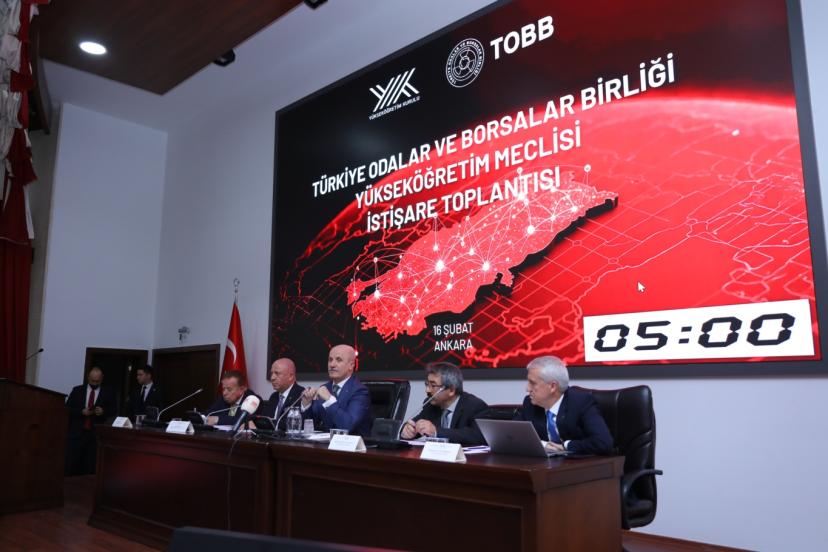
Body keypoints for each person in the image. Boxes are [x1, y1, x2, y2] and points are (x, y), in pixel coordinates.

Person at [514, 355, 613, 455]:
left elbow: (603, 443)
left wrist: (565, 446)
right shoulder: (530, 403)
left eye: (532, 383)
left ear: (552, 386)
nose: (527, 389)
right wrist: (545, 445)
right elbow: (513, 436)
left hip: (580, 463)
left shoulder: (580, 402)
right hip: (545, 463)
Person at [400, 362, 489, 446]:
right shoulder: (430, 405)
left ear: (451, 390)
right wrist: (407, 430)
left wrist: (436, 432)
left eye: (433, 386)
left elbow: (479, 436)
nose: (427, 390)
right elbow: (413, 424)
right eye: (427, 384)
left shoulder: (474, 406)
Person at [301, 344, 372, 436]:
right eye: (330, 360)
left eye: (338, 360)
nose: (332, 365)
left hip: (352, 444)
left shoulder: (360, 391)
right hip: (326, 443)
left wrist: (329, 399)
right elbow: (310, 425)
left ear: (351, 365)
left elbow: (348, 426)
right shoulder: (325, 388)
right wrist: (306, 405)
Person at [65, 366, 116, 475]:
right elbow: (67, 408)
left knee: (90, 467)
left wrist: (103, 411)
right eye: (93, 381)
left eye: (97, 381)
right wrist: (81, 412)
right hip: (76, 434)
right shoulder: (77, 390)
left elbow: (114, 410)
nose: (95, 383)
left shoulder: (108, 392)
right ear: (88, 377)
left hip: (95, 436)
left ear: (102, 378)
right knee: (71, 466)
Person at [257, 358, 305, 430]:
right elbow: (265, 421)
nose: (272, 378)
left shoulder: (300, 395)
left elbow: (292, 424)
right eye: (271, 373)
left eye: (277, 373)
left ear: (291, 376)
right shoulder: (274, 396)